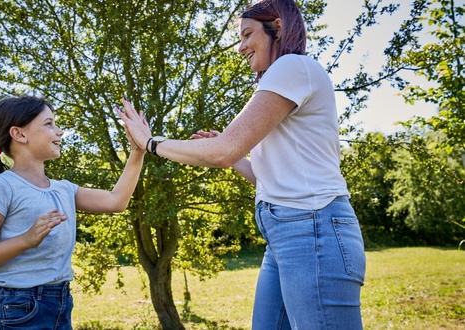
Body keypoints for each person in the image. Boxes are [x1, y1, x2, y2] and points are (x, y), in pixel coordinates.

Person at [115, 0, 366, 329]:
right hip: (286, 236)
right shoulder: (279, 81)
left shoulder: (292, 67)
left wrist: (150, 143)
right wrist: (233, 157)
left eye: (247, 34)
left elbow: (223, 150)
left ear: (276, 27)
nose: (240, 47)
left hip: (313, 230)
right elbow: (263, 175)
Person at [0, 95, 145, 330]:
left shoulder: (64, 189)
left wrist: (137, 151)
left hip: (59, 303)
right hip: (15, 308)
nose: (59, 132)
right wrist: (26, 240)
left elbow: (116, 201)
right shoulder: (2, 187)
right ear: (19, 134)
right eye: (49, 124)